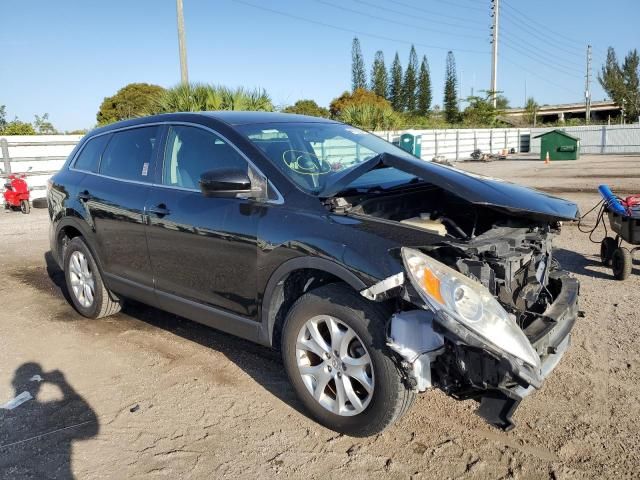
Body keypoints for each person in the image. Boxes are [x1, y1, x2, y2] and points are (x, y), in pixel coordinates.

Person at [0, 363, 99, 479]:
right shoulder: (52, 410)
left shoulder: (4, 412)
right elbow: (91, 427)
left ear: (14, 382)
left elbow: (91, 428)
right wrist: (62, 383)